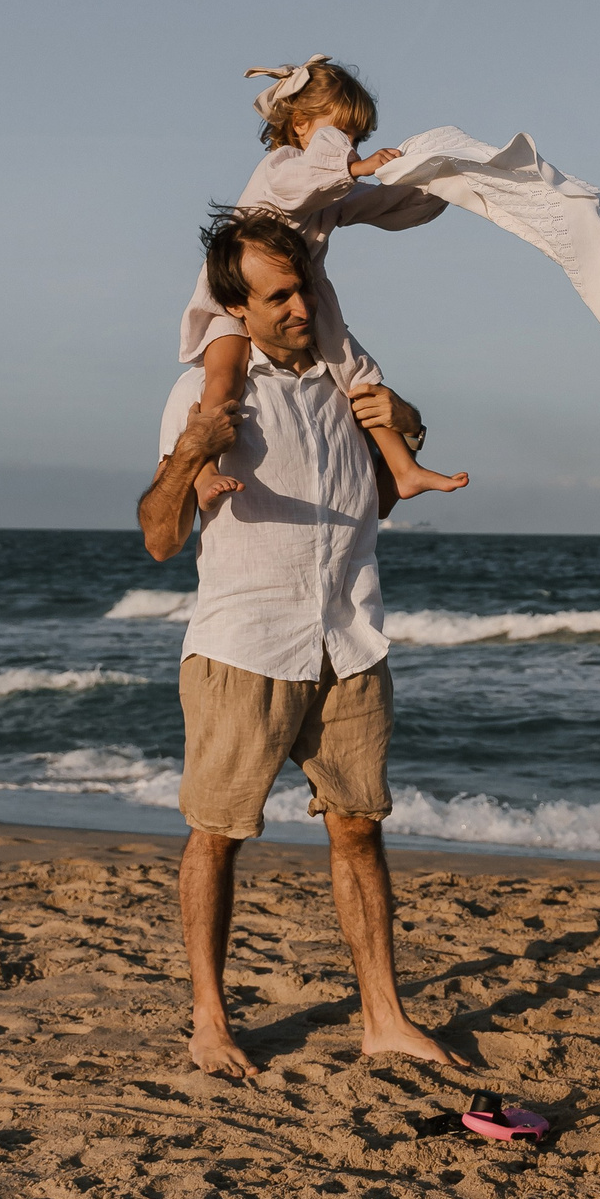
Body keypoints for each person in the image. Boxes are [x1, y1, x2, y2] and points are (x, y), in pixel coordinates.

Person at [141, 207, 468, 1077]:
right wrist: (190, 453)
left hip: (349, 638)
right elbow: (159, 536)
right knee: (217, 834)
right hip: (244, 645)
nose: (300, 306)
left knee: (359, 829)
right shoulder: (206, 393)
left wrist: (409, 424)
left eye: (304, 289)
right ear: (235, 307)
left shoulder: (345, 382)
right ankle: (210, 1022)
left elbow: (379, 503)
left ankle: (383, 1018)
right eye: (278, 296)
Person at [180, 55, 469, 517]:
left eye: (357, 139)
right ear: (300, 125)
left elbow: (381, 204)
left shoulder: (332, 189)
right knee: (224, 375)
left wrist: (443, 185)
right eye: (341, 134)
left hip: (306, 292)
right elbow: (305, 180)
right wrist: (355, 167)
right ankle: (203, 472)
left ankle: (403, 468)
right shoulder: (282, 167)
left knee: (356, 369)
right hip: (240, 294)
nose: (350, 147)